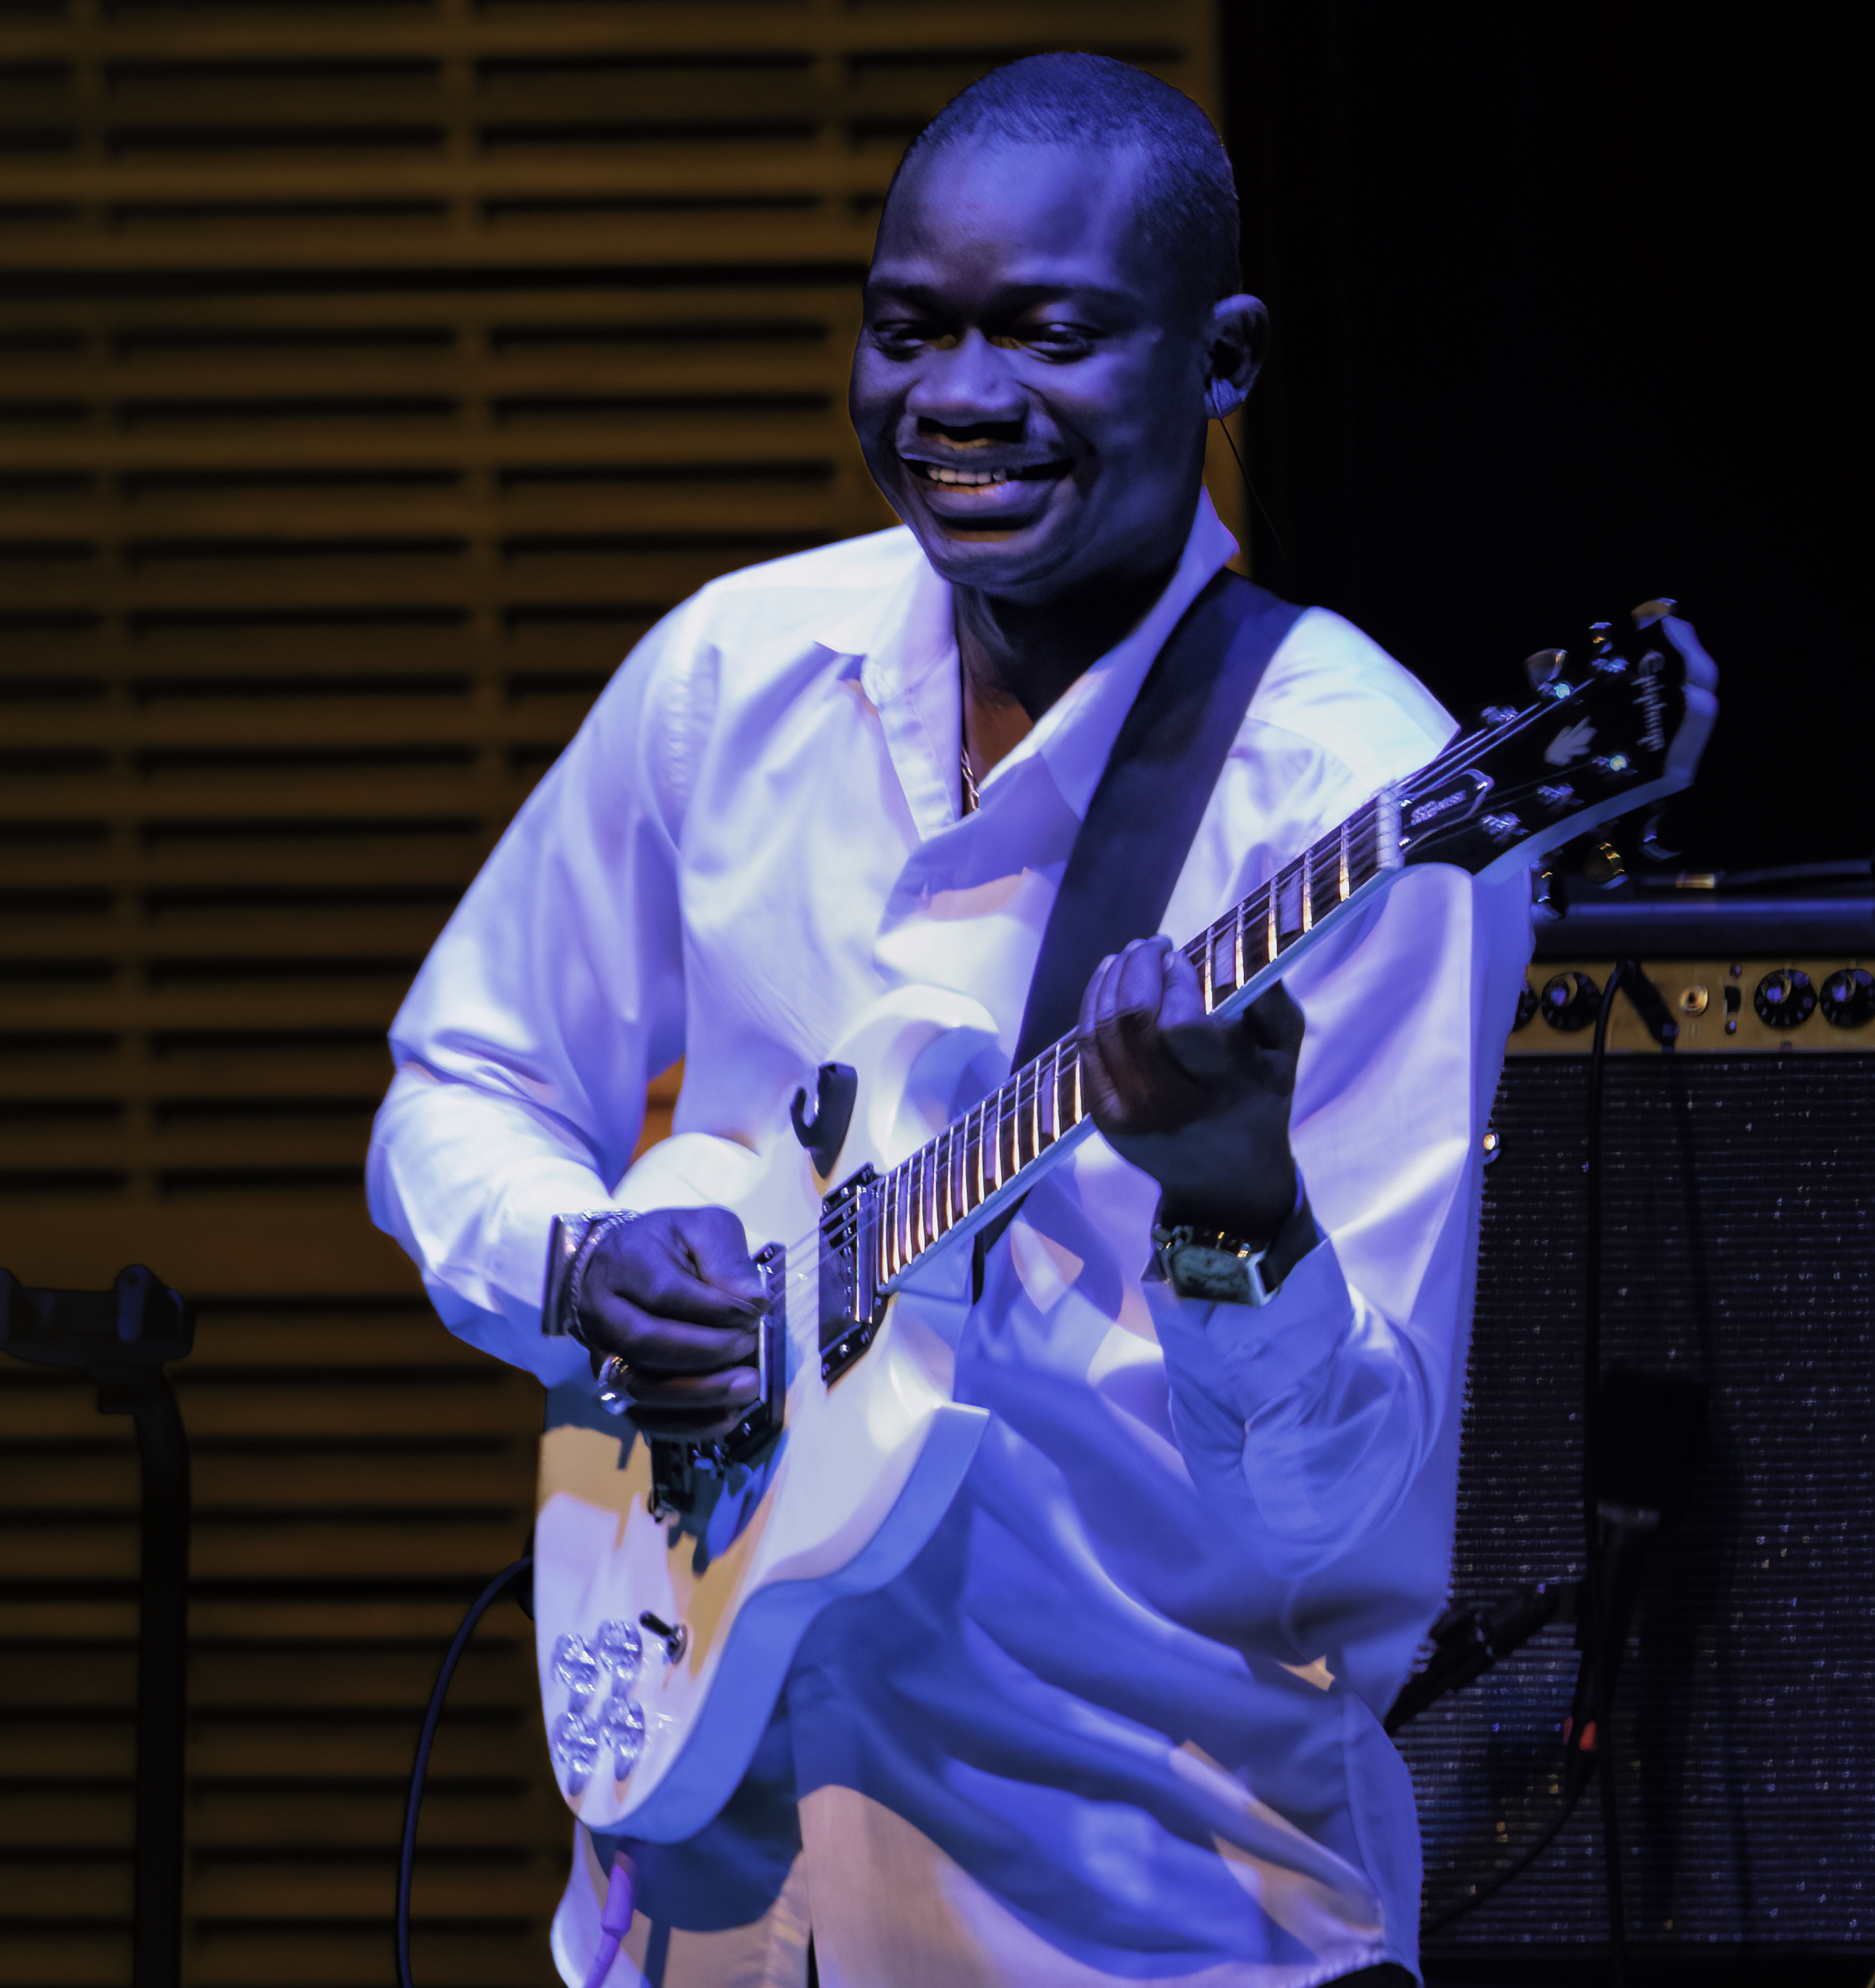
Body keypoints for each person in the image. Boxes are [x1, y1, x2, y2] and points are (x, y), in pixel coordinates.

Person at [369, 53, 1532, 1988]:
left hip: (1136, 1903)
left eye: (1051, 335)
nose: (961, 400)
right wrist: (577, 1264)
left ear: (1222, 360)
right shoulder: (730, 676)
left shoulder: (1356, 798)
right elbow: (461, 1077)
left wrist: (1235, 1204)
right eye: (911, 331)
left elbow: (1338, 1533)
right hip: (704, 1879)